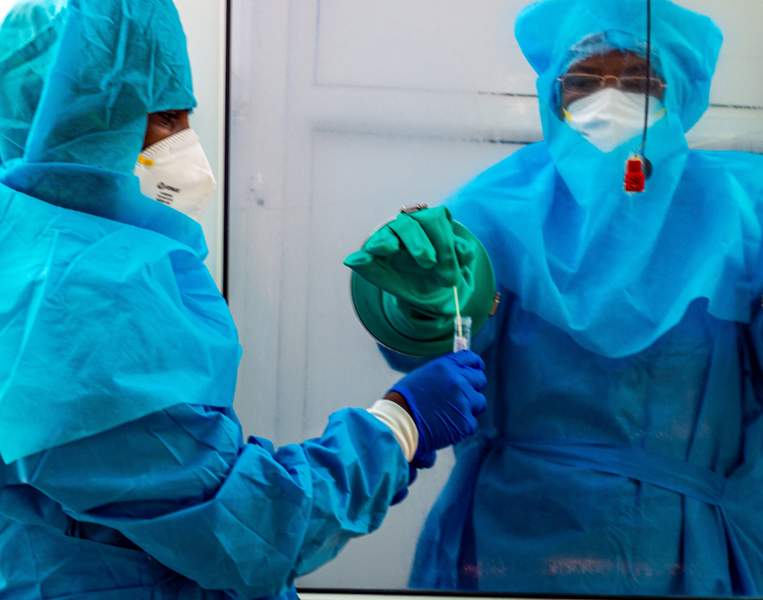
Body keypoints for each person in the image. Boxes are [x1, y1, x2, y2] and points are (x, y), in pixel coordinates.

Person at [0, 1, 488, 598]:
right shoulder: (78, 300)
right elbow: (249, 526)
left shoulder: (30, 254)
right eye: (164, 118)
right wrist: (397, 426)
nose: (186, 148)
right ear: (70, 121)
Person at [345, 0, 763, 596]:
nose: (611, 97)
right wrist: (419, 303)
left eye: (639, 79)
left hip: (685, 555)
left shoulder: (742, 214)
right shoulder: (494, 208)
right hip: (510, 540)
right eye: (585, 80)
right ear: (553, 95)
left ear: (681, 94)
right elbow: (435, 358)